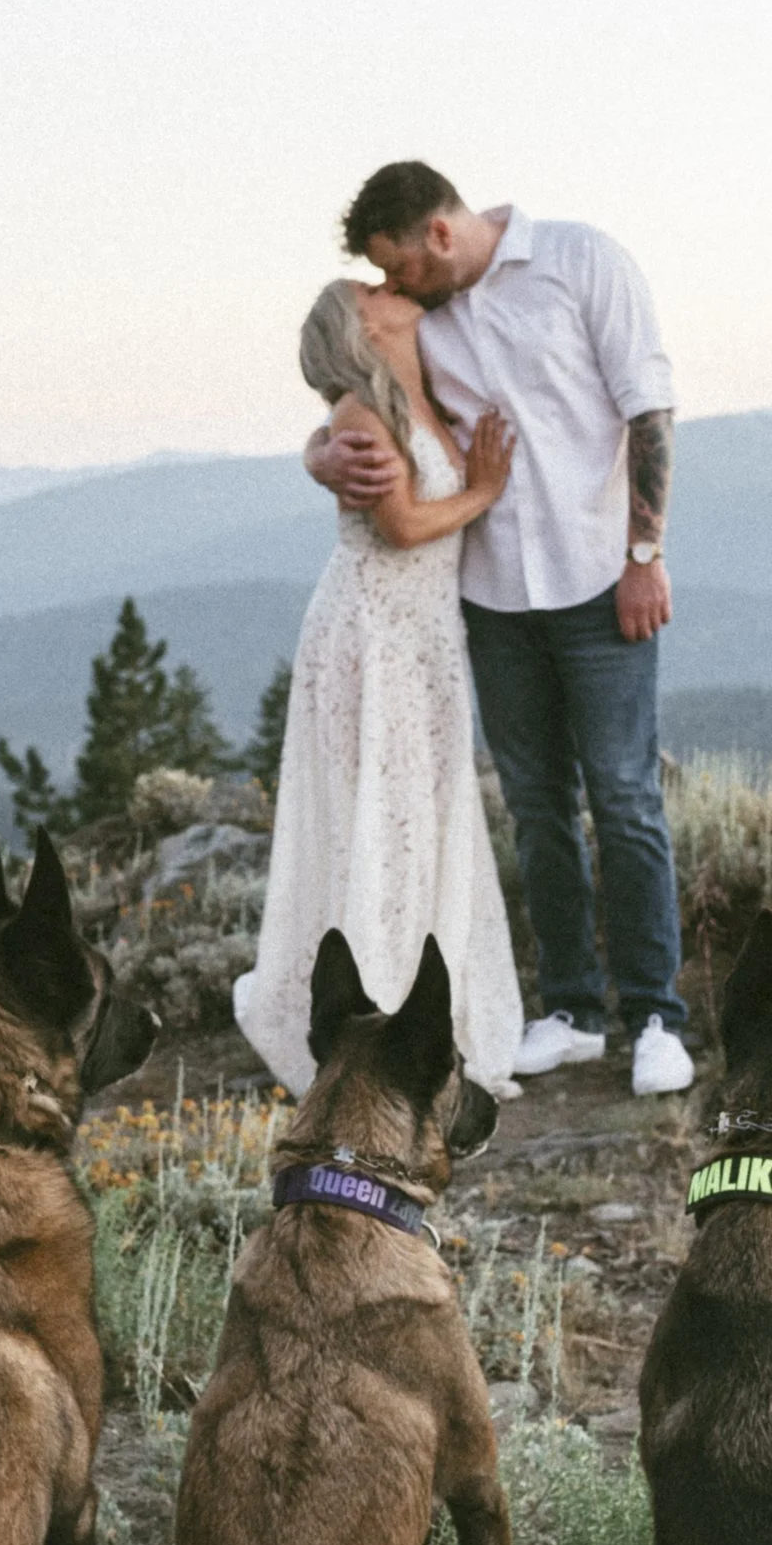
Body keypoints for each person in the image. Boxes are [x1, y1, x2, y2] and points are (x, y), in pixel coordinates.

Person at [309, 159, 694, 1098]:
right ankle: (569, 1010)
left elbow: (650, 408)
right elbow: (356, 388)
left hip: (601, 581)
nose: (394, 291)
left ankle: (655, 1017)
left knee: (625, 798)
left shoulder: (580, 262)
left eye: (400, 269)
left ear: (439, 235)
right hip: (490, 596)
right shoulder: (425, 317)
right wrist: (320, 452)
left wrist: (646, 554)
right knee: (536, 806)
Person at [233, 277, 527, 1098]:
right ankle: (377, 1014)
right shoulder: (363, 413)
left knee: (418, 816)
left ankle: (428, 1008)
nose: (390, 289)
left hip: (423, 637)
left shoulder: (417, 394)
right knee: (379, 817)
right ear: (361, 326)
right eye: (372, 289)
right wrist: (482, 493)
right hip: (374, 636)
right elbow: (399, 527)